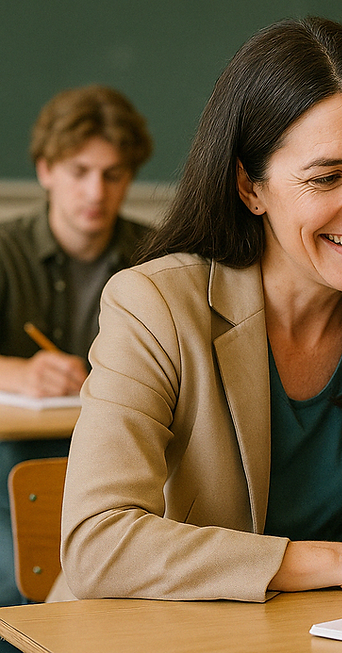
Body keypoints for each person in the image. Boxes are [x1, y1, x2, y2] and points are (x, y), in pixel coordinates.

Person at [54, 16, 342, 603]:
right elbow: (98, 545)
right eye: (327, 178)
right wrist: (339, 563)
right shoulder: (155, 305)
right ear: (250, 188)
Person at [0, 85, 152, 606]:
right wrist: (18, 374)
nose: (96, 192)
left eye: (113, 175)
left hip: (126, 469)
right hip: (16, 466)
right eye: (79, 172)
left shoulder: (157, 255)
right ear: (45, 170)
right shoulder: (4, 249)